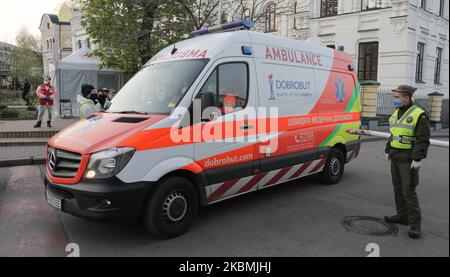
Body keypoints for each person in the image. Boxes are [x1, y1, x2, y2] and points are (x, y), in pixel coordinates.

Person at [384, 85, 430, 239]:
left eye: (397, 97)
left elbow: (422, 139)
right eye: (394, 96)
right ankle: (402, 216)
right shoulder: (398, 112)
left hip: (408, 158)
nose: (394, 99)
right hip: (395, 155)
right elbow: (393, 133)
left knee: (408, 191)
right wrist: (388, 149)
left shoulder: (419, 114)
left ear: (406, 97)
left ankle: (415, 224)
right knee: (397, 188)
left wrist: (417, 159)